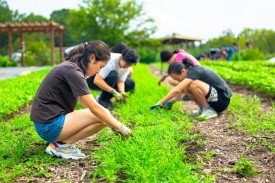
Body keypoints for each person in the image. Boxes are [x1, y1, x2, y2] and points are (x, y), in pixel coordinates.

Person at [30, 40, 131, 160]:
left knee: (104, 118)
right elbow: (94, 108)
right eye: (100, 67)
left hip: (47, 124)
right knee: (103, 114)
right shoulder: (73, 71)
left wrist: (107, 121)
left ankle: (59, 145)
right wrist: (121, 127)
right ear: (92, 58)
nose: (99, 71)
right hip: (49, 125)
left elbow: (87, 105)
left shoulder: (73, 68)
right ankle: (58, 145)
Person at [150, 62, 232, 120]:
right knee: (186, 86)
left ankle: (208, 110)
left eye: (178, 79)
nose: (178, 81)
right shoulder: (190, 72)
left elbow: (177, 89)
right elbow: (181, 92)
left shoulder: (195, 71)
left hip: (222, 100)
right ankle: (203, 109)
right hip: (214, 99)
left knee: (193, 84)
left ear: (183, 71)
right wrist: (172, 101)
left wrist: (161, 103)